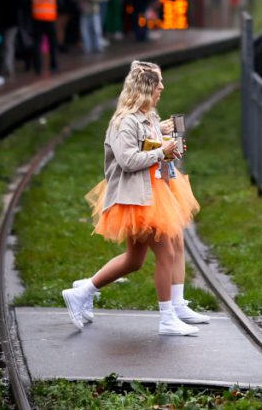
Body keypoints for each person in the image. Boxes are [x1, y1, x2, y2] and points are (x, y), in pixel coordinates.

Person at [62, 61, 206, 335]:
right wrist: (161, 151)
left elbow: (149, 148)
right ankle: (167, 318)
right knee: (167, 252)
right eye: (158, 83)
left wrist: (168, 146)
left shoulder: (148, 116)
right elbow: (128, 160)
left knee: (135, 260)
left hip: (153, 191)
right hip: (136, 198)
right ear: (145, 87)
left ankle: (83, 292)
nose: (162, 87)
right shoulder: (123, 123)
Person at [28, 0, 60, 74]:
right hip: (50, 18)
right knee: (52, 43)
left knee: (37, 43)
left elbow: (28, 3)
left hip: (37, 18)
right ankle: (54, 65)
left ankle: (38, 67)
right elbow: (59, 0)